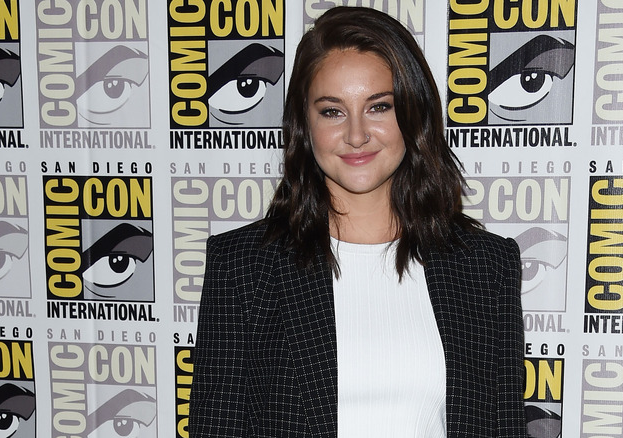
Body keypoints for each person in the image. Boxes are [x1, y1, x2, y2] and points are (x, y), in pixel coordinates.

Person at [189, 6, 527, 437]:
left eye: (379, 107)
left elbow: (502, 427)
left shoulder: (485, 265)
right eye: (332, 111)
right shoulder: (242, 266)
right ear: (303, 124)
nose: (356, 135)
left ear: (412, 114)